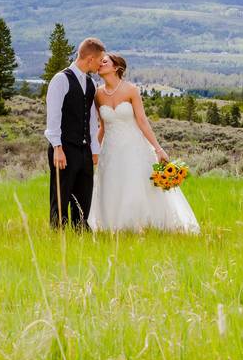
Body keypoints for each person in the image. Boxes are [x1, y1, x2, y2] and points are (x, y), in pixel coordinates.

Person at [87, 53, 199, 233]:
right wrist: (94, 150)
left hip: (134, 147)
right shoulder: (98, 94)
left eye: (105, 61)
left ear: (116, 67)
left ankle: (143, 226)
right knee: (111, 186)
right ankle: (114, 227)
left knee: (136, 185)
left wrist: (158, 148)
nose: (100, 64)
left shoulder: (131, 90)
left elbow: (142, 121)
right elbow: (102, 127)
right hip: (110, 149)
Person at [44, 37, 105, 229]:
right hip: (64, 148)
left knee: (83, 197)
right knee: (61, 196)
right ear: (90, 59)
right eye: (99, 60)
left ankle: (80, 234)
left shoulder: (91, 84)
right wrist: (57, 148)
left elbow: (92, 121)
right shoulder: (61, 79)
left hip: (85, 149)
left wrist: (94, 150)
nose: (101, 64)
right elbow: (53, 117)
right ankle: (58, 235)